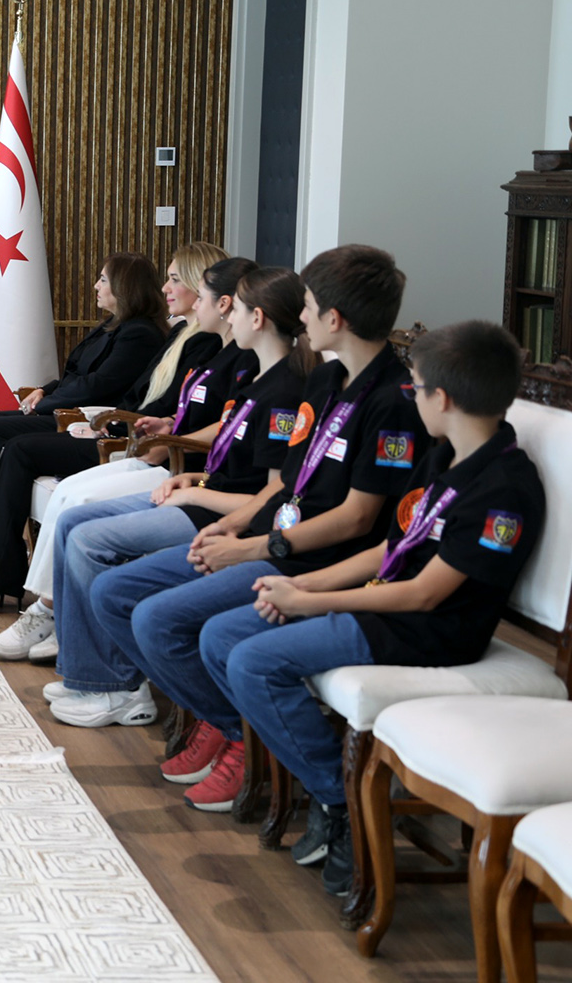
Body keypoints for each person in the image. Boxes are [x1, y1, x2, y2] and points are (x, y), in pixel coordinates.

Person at [199, 320, 544, 896]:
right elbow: (391, 548)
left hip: (428, 629)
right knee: (221, 637)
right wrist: (302, 589)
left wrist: (311, 601)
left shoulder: (504, 488)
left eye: (418, 387)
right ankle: (329, 784)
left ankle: (341, 801)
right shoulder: (447, 456)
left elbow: (424, 593)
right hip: (385, 603)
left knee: (253, 662)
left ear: (443, 398)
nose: (413, 397)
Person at [85, 245, 432, 814]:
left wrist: (253, 546)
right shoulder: (325, 380)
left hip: (318, 559)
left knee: (161, 619)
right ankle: (234, 727)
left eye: (310, 306)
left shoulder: (392, 401)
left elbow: (357, 518)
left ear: (334, 319)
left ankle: (246, 741)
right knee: (117, 595)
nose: (302, 317)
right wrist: (231, 526)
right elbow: (287, 482)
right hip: (275, 539)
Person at [41, 266, 309, 726]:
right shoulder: (259, 379)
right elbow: (231, 457)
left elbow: (269, 493)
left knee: (88, 540)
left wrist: (198, 493)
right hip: (207, 494)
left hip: (224, 513)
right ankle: (86, 672)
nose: (230, 317)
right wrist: (196, 481)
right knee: (71, 522)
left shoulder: (284, 390)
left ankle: (116, 687)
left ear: (257, 318)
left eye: (238, 309)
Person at [0, 246, 235, 616]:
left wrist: (104, 424)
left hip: (136, 443)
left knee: (17, 448)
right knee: (4, 438)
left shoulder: (189, 340)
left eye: (174, 279)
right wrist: (90, 415)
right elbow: (137, 397)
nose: (165, 288)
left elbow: (154, 405)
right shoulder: (179, 334)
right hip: (116, 429)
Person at [0, 252, 168, 602]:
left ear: (125, 287)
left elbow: (98, 386)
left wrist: (47, 402)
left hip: (87, 419)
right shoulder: (114, 324)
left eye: (103, 279)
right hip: (72, 410)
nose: (96, 286)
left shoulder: (140, 333)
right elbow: (75, 376)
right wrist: (44, 390)